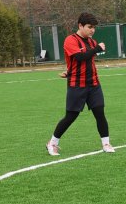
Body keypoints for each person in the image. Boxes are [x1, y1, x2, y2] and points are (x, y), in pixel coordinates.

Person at [47, 13, 114, 156]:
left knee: (99, 113)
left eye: (94, 27)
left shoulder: (91, 42)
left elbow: (87, 61)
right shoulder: (70, 40)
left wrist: (69, 71)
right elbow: (79, 58)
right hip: (77, 85)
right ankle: (52, 143)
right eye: (90, 27)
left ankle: (106, 143)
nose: (92, 30)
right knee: (71, 116)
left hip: (94, 84)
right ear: (80, 26)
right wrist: (97, 49)